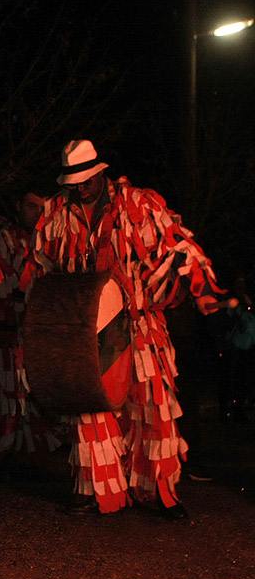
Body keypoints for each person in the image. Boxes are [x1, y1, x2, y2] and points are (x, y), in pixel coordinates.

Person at [23, 139, 221, 517]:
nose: (80, 189)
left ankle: (158, 492)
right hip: (86, 328)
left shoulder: (140, 205)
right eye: (73, 183)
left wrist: (202, 289)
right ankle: (96, 489)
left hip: (141, 322)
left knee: (152, 407)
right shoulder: (56, 215)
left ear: (101, 174)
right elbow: (44, 269)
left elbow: (177, 246)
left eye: (86, 181)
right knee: (91, 402)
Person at [0, 185, 60, 470]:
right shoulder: (3, 238)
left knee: (33, 399)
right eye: (32, 206)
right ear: (19, 205)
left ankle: (28, 459)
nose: (38, 213)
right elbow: (5, 287)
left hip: (34, 336)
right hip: (5, 335)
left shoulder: (45, 240)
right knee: (7, 400)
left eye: (42, 208)